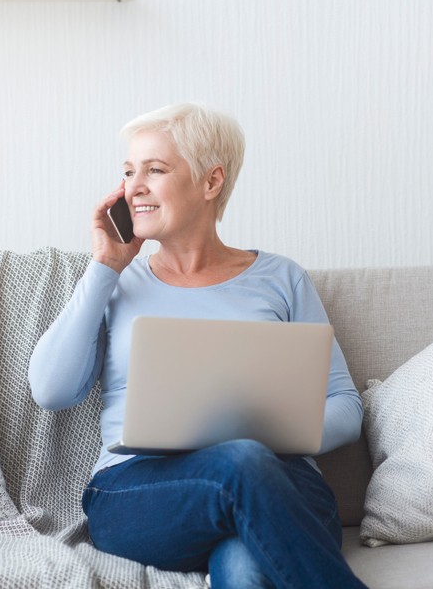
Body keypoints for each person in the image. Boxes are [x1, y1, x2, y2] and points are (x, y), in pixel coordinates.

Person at [28, 103, 367, 589]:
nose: (133, 187)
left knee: (245, 564)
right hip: (141, 494)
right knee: (241, 464)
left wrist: (258, 434)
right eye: (128, 172)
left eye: (155, 170)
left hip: (282, 486)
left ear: (211, 182)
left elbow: (346, 408)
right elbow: (50, 389)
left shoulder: (282, 279)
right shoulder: (115, 284)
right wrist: (104, 266)